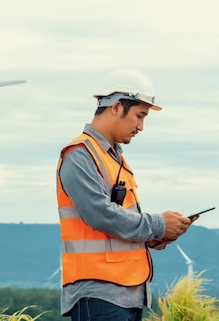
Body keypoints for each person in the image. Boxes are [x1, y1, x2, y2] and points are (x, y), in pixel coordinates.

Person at [56, 69, 194, 321]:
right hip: (98, 294)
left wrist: (155, 236)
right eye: (140, 116)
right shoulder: (80, 155)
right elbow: (100, 215)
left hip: (126, 294)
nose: (141, 126)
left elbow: (119, 225)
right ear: (117, 106)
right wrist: (159, 224)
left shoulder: (114, 158)